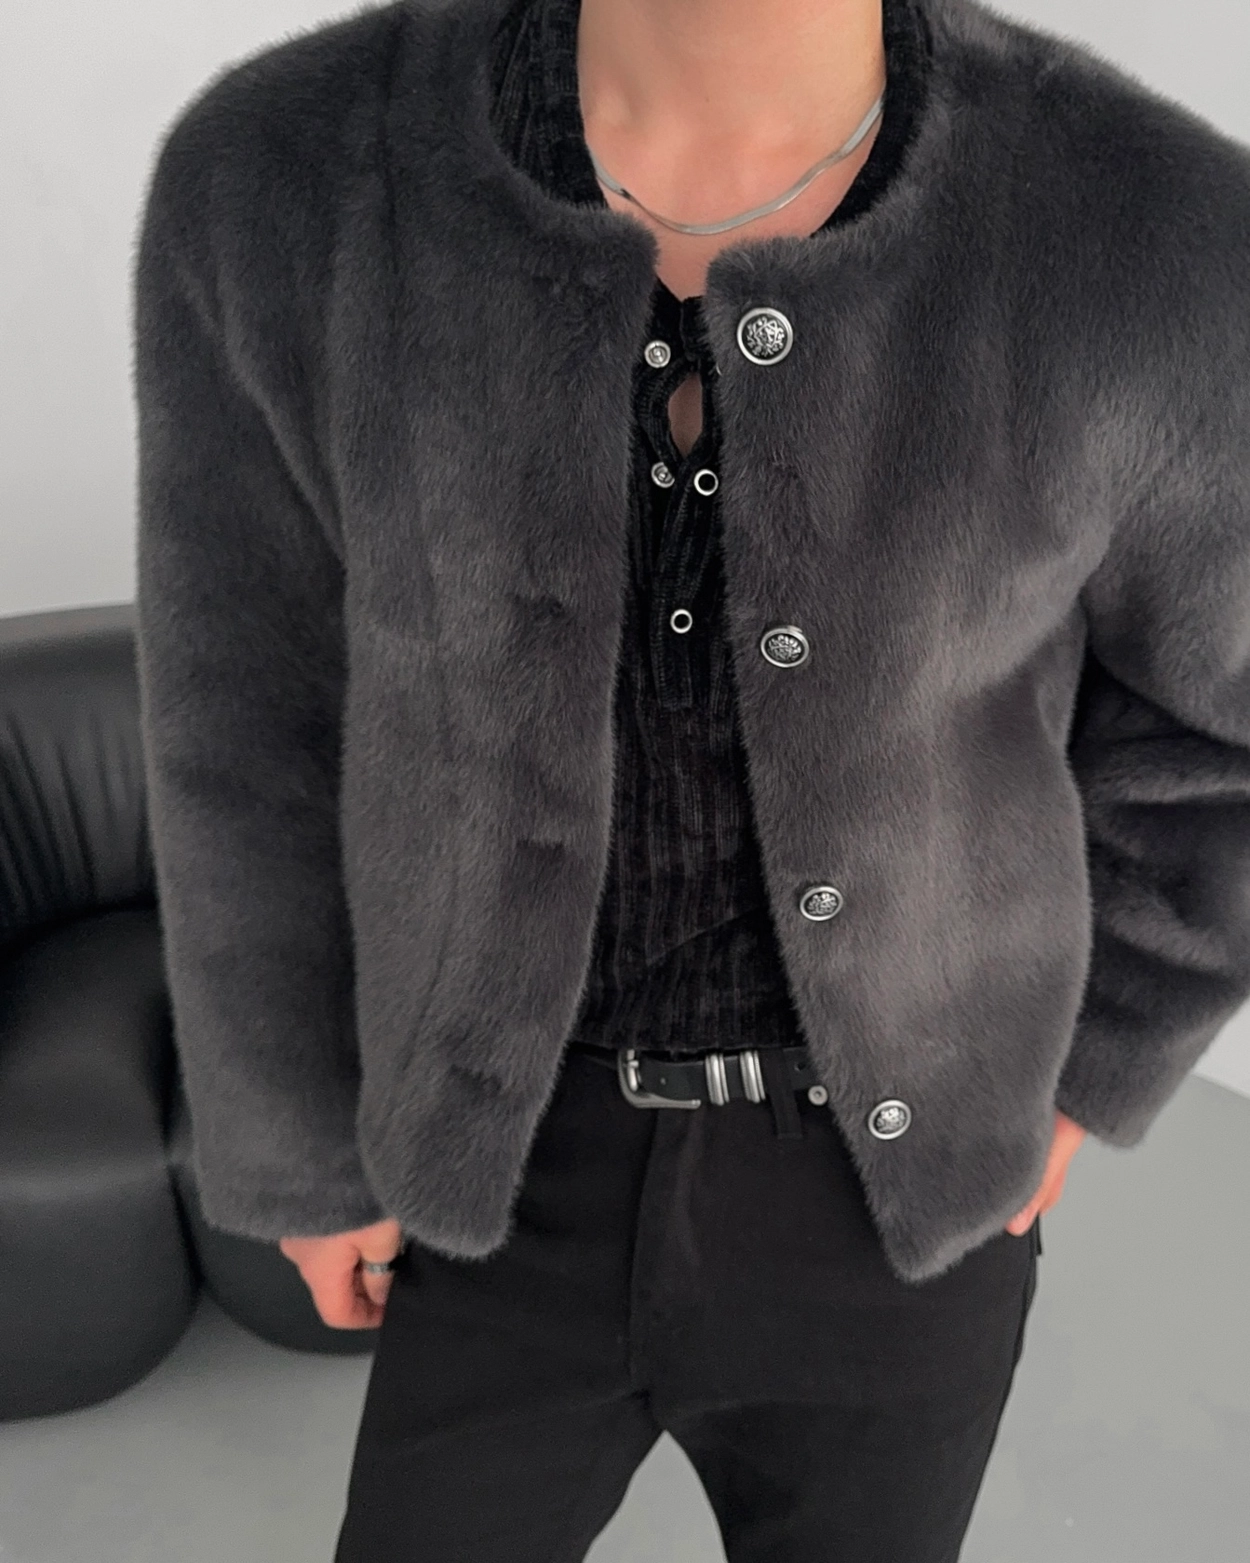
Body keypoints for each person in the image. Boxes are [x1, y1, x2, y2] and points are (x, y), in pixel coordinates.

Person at [132, 0, 1250, 1557]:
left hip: (895, 1202)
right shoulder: (284, 179)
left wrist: (1092, 1059)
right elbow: (244, 719)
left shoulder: (1153, 228)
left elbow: (1217, 727)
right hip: (487, 1167)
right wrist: (305, 1148)